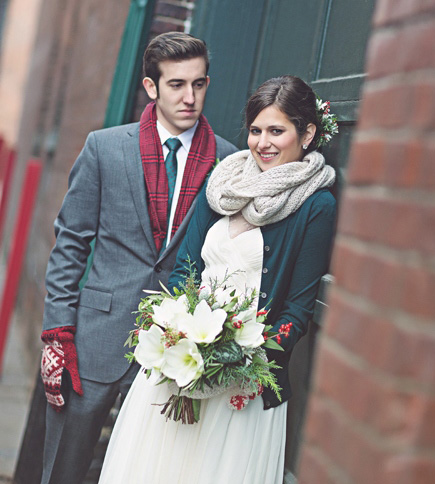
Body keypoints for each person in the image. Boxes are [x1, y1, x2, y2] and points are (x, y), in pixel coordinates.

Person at [98, 74, 337, 484]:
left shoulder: (316, 205)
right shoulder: (224, 186)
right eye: (256, 130)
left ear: (308, 133)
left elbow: (296, 312)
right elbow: (181, 275)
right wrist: (174, 339)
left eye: (277, 131)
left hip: (242, 383)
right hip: (179, 369)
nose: (263, 142)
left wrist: (237, 363)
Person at [40, 32, 237, 484]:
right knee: (65, 466)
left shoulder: (227, 161)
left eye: (200, 84)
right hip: (97, 337)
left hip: (175, 345)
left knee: (148, 469)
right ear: (151, 87)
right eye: (176, 85)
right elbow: (71, 245)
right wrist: (57, 332)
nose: (190, 97)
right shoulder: (104, 147)